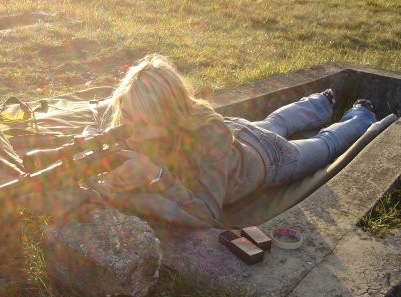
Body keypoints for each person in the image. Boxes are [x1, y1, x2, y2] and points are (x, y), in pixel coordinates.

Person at [95, 54, 376, 228]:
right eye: (129, 116)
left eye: (144, 123)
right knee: (274, 123)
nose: (131, 130)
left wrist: (155, 175)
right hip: (239, 133)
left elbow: (206, 213)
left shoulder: (207, 136)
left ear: (171, 117)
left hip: (270, 158)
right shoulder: (132, 124)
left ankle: (361, 115)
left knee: (323, 146)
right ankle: (321, 102)